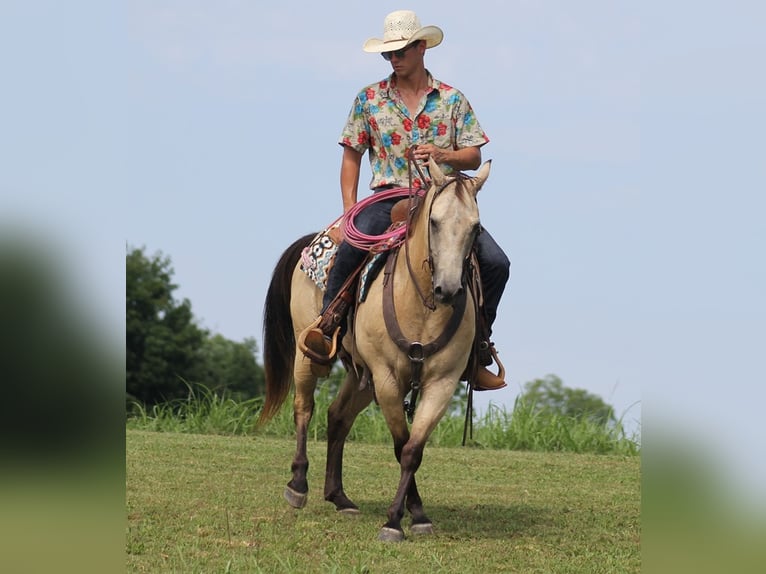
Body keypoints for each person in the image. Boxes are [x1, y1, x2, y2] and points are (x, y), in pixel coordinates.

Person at [302, 10, 510, 391]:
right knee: (350, 247)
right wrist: (350, 210)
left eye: (400, 51)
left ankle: (478, 348)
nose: (393, 59)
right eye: (388, 54)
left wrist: (442, 155)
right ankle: (327, 325)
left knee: (497, 263)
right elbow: (351, 158)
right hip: (388, 197)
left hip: (443, 199)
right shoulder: (368, 100)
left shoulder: (452, 99)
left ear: (420, 47)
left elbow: (474, 156)